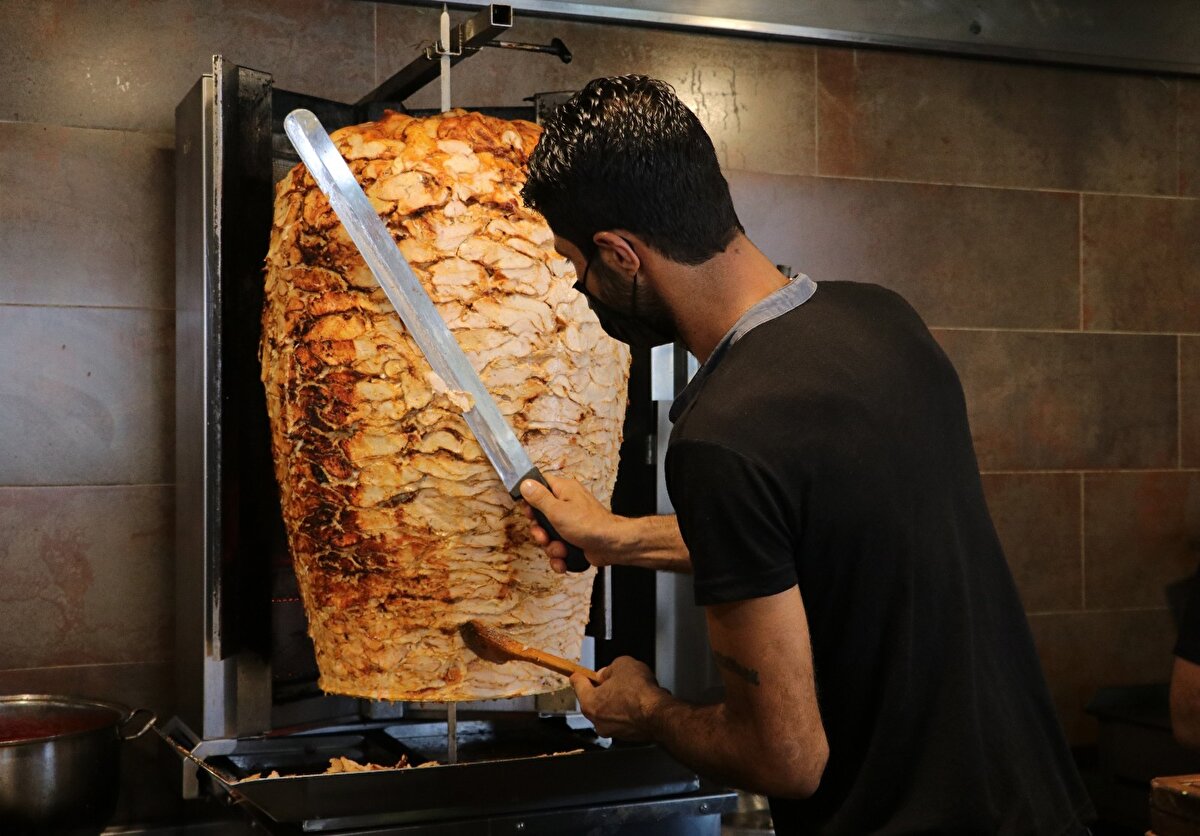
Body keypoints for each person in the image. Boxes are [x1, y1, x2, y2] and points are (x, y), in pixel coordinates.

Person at [517, 74, 1094, 835]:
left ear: (621, 254)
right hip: (1042, 808)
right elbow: (822, 531)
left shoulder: (723, 434)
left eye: (576, 264)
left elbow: (784, 758)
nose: (578, 285)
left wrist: (648, 710)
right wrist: (618, 539)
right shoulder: (883, 320)